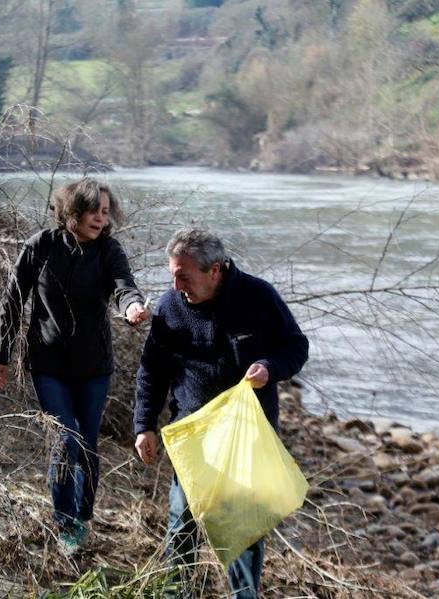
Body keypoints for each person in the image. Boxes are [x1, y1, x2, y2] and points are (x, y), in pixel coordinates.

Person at [133, 228, 308, 598]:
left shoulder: (257, 297)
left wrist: (269, 367)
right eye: (173, 275)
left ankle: (244, 595)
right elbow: (152, 370)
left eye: (185, 275)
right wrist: (144, 424)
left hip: (250, 431)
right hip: (192, 432)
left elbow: (295, 347)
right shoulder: (169, 307)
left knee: (244, 527)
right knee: (183, 523)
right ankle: (179, 593)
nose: (177, 284)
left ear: (215, 270)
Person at [0, 177, 149, 555]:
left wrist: (131, 307)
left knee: (88, 442)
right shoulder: (40, 246)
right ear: (72, 212)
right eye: (93, 210)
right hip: (48, 363)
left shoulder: (109, 250)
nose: (100, 218)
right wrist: (0, 355)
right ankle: (64, 523)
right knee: (65, 438)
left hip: (94, 366)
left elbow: (124, 285)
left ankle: (83, 516)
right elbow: (12, 301)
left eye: (106, 212)